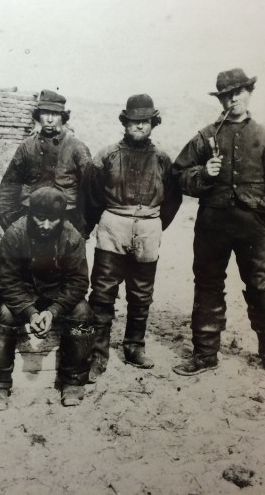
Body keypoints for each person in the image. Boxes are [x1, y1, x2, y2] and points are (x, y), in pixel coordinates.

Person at [172, 68, 265, 376]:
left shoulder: (264, 137)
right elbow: (179, 175)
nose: (233, 98)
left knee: (263, 286)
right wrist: (202, 174)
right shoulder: (205, 136)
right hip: (212, 225)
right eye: (226, 94)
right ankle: (205, 355)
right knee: (207, 285)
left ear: (249, 93)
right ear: (220, 99)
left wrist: (264, 216)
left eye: (239, 92)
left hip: (253, 227)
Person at [86, 94, 181, 381]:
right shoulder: (107, 156)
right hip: (114, 224)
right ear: (125, 123)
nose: (139, 127)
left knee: (141, 294)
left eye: (145, 122)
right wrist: (102, 222)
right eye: (134, 122)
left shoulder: (163, 159)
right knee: (103, 293)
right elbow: (90, 194)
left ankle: (134, 347)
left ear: (153, 124)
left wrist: (154, 225)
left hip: (149, 226)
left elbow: (173, 199)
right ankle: (97, 353)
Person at [0, 187, 95, 410]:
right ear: (30, 213)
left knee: (82, 312)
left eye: (52, 220)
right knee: (2, 312)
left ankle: (73, 381)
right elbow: (7, 281)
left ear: (62, 217)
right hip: (23, 295)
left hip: (58, 296)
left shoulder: (72, 238)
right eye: (39, 218)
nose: (45, 226)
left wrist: (53, 311)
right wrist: (30, 311)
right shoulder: (15, 234)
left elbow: (78, 282)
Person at [0, 89, 92, 237]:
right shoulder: (27, 146)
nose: (49, 119)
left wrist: (83, 229)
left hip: (67, 220)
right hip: (31, 219)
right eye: (45, 113)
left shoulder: (77, 148)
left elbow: (90, 192)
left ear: (63, 117)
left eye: (55, 114)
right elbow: (8, 188)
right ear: (38, 116)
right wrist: (10, 225)